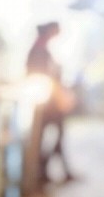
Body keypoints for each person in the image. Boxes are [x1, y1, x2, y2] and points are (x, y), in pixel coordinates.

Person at [26, 21, 75, 184]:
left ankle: (47, 173)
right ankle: (42, 174)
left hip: (48, 103)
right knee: (45, 138)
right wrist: (60, 96)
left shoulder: (42, 49)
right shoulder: (39, 50)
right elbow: (45, 78)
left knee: (54, 136)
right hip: (47, 104)